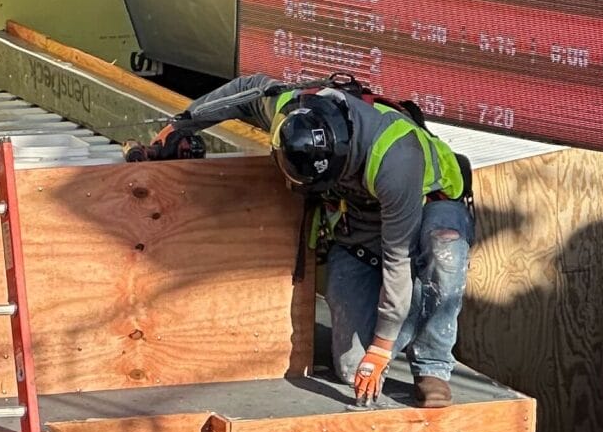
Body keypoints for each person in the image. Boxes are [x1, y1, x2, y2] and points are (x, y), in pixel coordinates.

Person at [132, 74, 474, 409]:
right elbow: (245, 90)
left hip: (429, 209)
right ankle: (409, 311)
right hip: (360, 227)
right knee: (352, 369)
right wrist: (179, 127)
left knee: (445, 249)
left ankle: (431, 365)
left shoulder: (395, 156)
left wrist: (382, 348)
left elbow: (397, 259)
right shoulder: (291, 110)